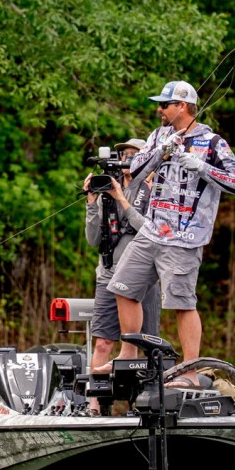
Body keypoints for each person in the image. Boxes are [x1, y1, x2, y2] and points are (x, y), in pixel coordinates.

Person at [108, 81, 235, 389]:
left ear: (182, 106)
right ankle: (129, 354)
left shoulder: (213, 142)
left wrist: (201, 166)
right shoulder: (159, 135)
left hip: (185, 239)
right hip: (151, 231)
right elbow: (134, 172)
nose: (159, 109)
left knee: (182, 303)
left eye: (164, 104)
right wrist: (160, 151)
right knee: (122, 286)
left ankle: (190, 372)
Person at [83, 138, 160, 412]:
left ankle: (143, 404)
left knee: (145, 343)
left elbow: (149, 230)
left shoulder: (153, 191)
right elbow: (93, 240)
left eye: (133, 154)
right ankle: (94, 404)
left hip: (142, 277)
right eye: (123, 154)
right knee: (103, 342)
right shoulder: (107, 190)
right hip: (108, 275)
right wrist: (92, 202)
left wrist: (123, 200)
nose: (126, 159)